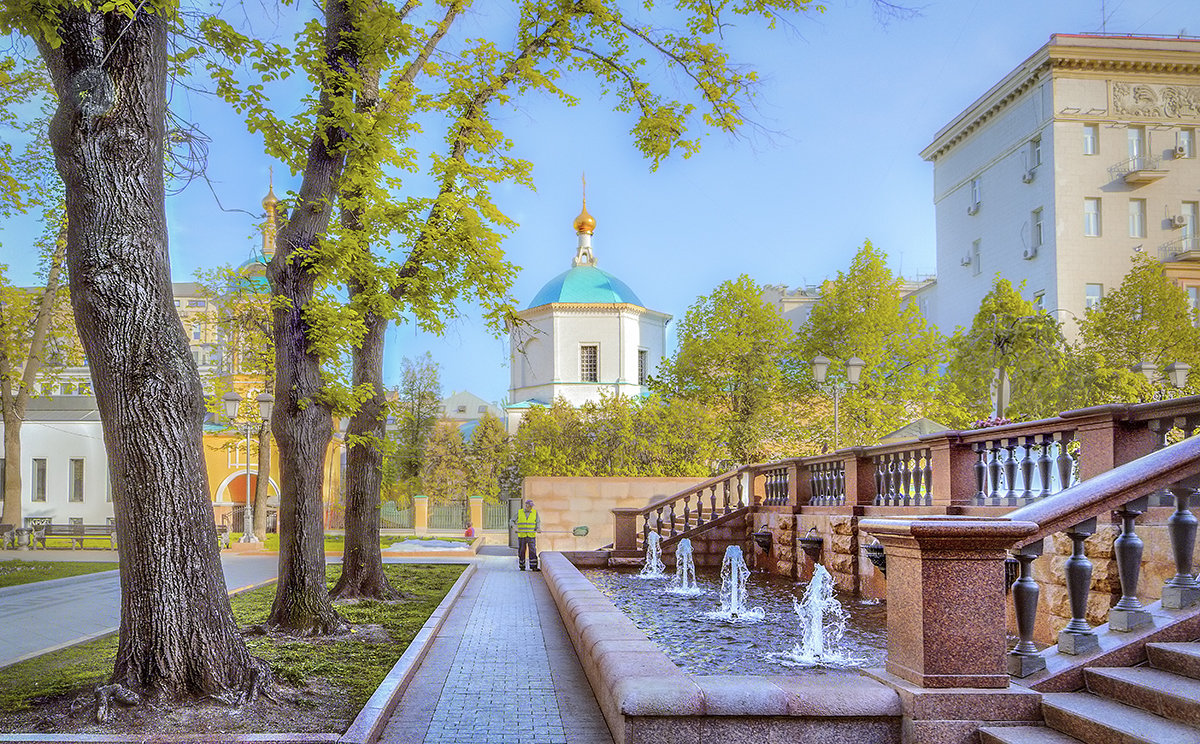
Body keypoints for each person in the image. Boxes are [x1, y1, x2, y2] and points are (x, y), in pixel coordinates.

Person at [511, 498, 541, 571]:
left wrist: (538, 528)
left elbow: (538, 522)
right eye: (529, 506)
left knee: (532, 550)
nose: (530, 507)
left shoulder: (535, 512)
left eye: (531, 506)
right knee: (521, 551)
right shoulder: (520, 512)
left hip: (531, 535)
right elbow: (512, 521)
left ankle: (534, 567)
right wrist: (515, 528)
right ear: (526, 505)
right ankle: (522, 566)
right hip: (522, 535)